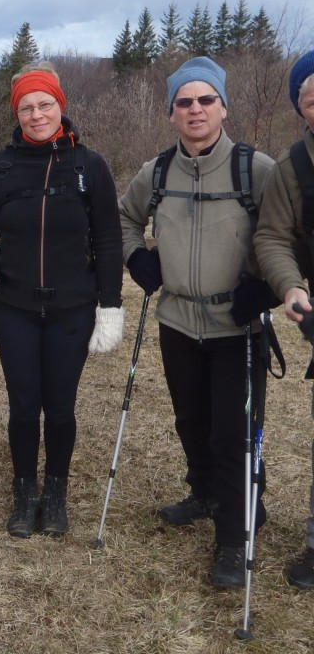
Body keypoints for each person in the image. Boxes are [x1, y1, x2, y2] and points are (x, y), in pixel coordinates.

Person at [118, 56, 276, 588]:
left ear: (224, 107)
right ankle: (206, 492)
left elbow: (291, 237)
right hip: (177, 320)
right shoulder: (156, 173)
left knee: (234, 434)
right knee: (191, 420)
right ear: (170, 113)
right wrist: (135, 256)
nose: (195, 110)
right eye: (184, 102)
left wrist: (269, 286)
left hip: (238, 325)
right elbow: (122, 219)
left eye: (206, 99)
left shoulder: (257, 170)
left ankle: (234, 536)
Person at [0, 62, 124, 539]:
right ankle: (24, 491)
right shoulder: (0, 167)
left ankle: (55, 493)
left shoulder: (89, 166)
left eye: (45, 104)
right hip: (15, 308)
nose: (36, 115)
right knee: (23, 405)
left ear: (60, 105)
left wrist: (110, 305)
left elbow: (110, 240)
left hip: (73, 308)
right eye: (27, 107)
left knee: (62, 405)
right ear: (17, 112)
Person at [253, 49, 314, 589]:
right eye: (311, 95)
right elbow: (272, 237)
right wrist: (290, 286)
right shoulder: (292, 169)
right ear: (300, 105)